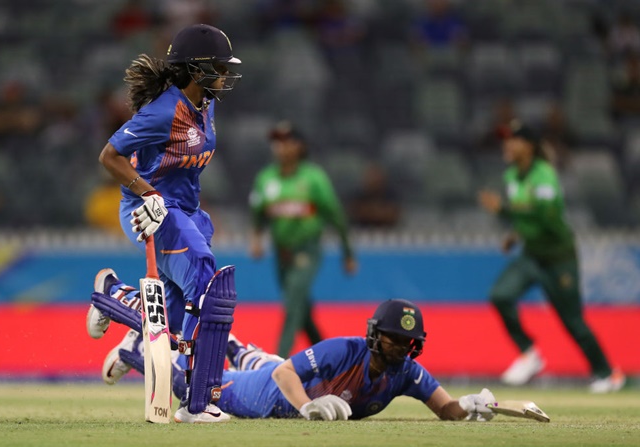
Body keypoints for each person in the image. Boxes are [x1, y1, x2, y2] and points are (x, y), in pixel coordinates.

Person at [84, 23, 243, 423]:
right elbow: (110, 155)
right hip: (151, 209)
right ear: (196, 69)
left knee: (175, 308)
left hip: (186, 209)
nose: (225, 75)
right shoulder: (163, 111)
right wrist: (148, 193)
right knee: (208, 284)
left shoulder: (206, 104)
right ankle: (198, 402)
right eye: (219, 67)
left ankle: (113, 295)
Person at [90, 284, 499, 421]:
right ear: (376, 335)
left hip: (281, 379)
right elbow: (285, 375)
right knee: (188, 383)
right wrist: (308, 408)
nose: (400, 347)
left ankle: (229, 346)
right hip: (262, 395)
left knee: (251, 354)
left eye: (407, 342)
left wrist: (471, 405)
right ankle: (135, 347)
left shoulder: (407, 373)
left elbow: (446, 409)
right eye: (393, 338)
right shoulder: (346, 350)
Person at [476, 120, 625, 393]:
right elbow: (527, 216)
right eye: (505, 139)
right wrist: (514, 233)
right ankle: (529, 354)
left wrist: (504, 212)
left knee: (573, 322)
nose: (506, 145)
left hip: (559, 258)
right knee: (500, 295)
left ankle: (607, 374)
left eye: (513, 140)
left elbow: (546, 217)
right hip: (532, 255)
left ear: (529, 146)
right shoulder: (511, 177)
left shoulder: (544, 175)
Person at [248, 120, 358, 358]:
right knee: (301, 309)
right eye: (277, 142)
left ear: (300, 146)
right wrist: (256, 239)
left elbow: (336, 216)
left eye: (287, 141)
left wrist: (348, 254)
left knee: (293, 304)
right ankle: (330, 360)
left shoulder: (314, 178)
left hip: (307, 250)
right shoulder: (266, 179)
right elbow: (259, 213)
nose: (281, 147)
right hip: (282, 254)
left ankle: (277, 364)